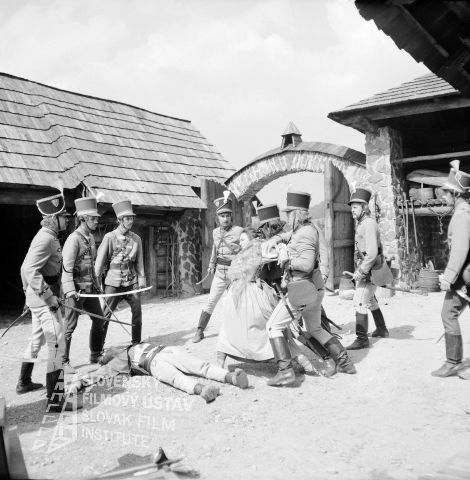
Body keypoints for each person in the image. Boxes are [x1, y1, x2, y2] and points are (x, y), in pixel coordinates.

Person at [265, 191, 356, 386]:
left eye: (289, 213)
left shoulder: (305, 233)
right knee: (315, 328)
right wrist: (275, 239)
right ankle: (345, 363)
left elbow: (306, 264)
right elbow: (289, 235)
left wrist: (287, 260)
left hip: (302, 289)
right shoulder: (304, 229)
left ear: (297, 214)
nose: (287, 217)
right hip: (313, 289)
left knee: (273, 327)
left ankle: (285, 372)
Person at [257, 204, 337, 377]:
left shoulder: (303, 231)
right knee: (296, 329)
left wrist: (323, 274)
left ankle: (329, 358)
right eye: (266, 227)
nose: (269, 230)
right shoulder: (274, 237)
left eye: (272, 225)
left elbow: (322, 253)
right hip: (281, 288)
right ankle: (318, 360)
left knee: (308, 328)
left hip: (301, 285)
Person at [18, 191, 81, 412]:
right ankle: (56, 401)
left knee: (37, 341)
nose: (67, 220)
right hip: (44, 300)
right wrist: (47, 296)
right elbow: (29, 269)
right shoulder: (45, 238)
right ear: (53, 218)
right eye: (64, 217)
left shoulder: (48, 236)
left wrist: (28, 294)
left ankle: (24, 382)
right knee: (57, 345)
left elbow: (24, 268)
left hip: (37, 298)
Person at [68, 341, 249, 403]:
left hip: (164, 353)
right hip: (154, 361)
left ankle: (230, 377)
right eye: (104, 355)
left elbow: (99, 368)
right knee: (181, 377)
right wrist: (78, 382)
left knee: (199, 367)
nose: (107, 352)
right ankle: (205, 389)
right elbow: (97, 374)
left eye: (106, 352)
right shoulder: (116, 362)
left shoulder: (129, 347)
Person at [215, 227, 279, 367]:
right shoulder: (242, 254)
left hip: (252, 293)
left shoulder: (257, 249)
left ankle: (282, 359)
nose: (241, 243)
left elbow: (273, 255)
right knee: (228, 326)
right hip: (237, 292)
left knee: (258, 328)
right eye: (240, 240)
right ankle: (220, 362)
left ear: (252, 240)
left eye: (243, 239)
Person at [432, 160, 470, 379]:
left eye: (446, 193)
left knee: (448, 313)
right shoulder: (463, 210)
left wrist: (448, 277)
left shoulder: (462, 214)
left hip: (465, 276)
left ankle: (453, 362)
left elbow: (460, 249)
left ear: (455, 194)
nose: (443, 196)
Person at [192, 192, 243, 343]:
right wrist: (211, 265)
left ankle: (239, 333)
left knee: (237, 303)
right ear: (218, 217)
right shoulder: (215, 232)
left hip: (235, 275)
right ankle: (200, 330)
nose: (225, 219)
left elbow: (246, 250)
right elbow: (215, 249)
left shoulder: (239, 231)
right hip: (220, 273)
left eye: (227, 215)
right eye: (222, 216)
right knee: (211, 301)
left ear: (231, 216)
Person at [61, 197, 105, 370]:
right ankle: (63, 362)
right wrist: (70, 291)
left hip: (89, 289)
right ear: (83, 219)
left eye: (96, 218)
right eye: (93, 218)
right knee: (69, 327)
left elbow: (91, 265)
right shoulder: (73, 239)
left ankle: (95, 354)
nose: (96, 221)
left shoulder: (91, 238)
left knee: (99, 319)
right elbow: (66, 268)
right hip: (76, 291)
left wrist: (97, 286)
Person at [95, 200, 146, 345]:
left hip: (131, 281)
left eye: (132, 218)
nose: (131, 221)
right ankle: (98, 348)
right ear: (120, 220)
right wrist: (96, 282)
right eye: (127, 219)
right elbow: (99, 262)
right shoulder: (109, 237)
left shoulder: (136, 239)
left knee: (137, 311)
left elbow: (139, 261)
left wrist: (142, 279)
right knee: (105, 315)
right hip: (113, 282)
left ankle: (136, 343)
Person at [347, 188, 389, 350]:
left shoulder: (369, 224)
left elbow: (371, 253)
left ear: (364, 207)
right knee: (370, 300)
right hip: (368, 268)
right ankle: (381, 329)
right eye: (351, 207)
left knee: (359, 302)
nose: (352, 210)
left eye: (355, 207)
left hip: (369, 270)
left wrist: (361, 271)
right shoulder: (363, 223)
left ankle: (362, 339)